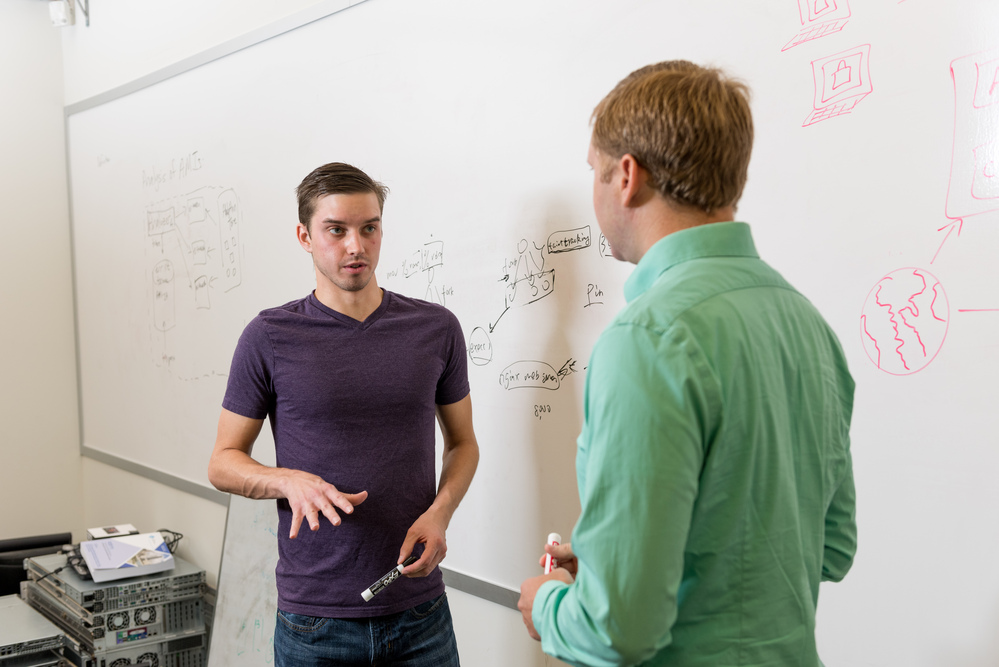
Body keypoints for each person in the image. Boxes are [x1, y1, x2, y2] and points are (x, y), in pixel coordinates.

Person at [518, 61, 857, 666]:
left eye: (595, 172)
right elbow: (831, 548)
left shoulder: (646, 339)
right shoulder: (807, 323)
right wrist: (613, 562)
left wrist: (547, 604)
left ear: (627, 177)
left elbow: (616, 629)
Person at [208, 162, 479, 666]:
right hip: (315, 624)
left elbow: (463, 443)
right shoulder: (268, 336)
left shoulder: (436, 328)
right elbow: (223, 462)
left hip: (420, 613)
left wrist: (440, 514)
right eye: (336, 230)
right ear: (305, 237)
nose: (356, 245)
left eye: (369, 228)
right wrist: (287, 481)